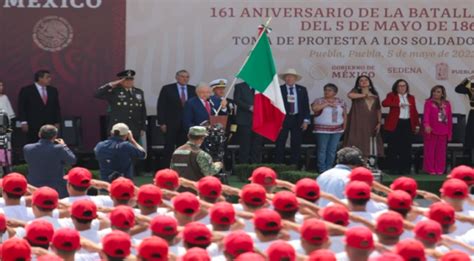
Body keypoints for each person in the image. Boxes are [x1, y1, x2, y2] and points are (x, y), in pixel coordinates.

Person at [23, 125, 76, 198]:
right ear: (55, 137)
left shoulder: (27, 148)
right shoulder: (59, 149)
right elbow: (72, 160)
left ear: (39, 134)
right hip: (56, 188)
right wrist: (64, 145)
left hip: (34, 187)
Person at [157, 70, 196, 166]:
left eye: (187, 77)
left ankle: (182, 168)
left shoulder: (193, 89)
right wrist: (162, 122)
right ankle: (166, 168)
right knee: (169, 147)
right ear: (177, 77)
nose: (185, 79)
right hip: (171, 123)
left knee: (184, 147)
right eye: (182, 76)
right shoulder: (167, 89)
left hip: (187, 124)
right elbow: (161, 106)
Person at [95, 69, 147, 141]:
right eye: (126, 79)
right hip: (118, 130)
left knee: (132, 151)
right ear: (120, 81)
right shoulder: (114, 91)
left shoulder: (139, 92)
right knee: (117, 150)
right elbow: (97, 94)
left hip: (134, 129)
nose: (129, 81)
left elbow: (143, 111)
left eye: (131, 79)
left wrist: (143, 127)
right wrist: (111, 85)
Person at [382, 79, 420, 175]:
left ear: (407, 87)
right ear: (396, 87)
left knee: (406, 148)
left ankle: (405, 169)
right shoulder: (391, 95)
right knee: (393, 147)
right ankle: (393, 168)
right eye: (400, 86)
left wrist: (417, 125)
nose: (402, 88)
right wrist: (398, 104)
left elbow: (414, 111)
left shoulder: (411, 97)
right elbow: (384, 103)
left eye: (404, 86)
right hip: (395, 124)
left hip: (407, 123)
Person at [343, 75, 384, 162]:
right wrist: (365, 95)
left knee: (370, 143)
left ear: (370, 83)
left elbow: (378, 109)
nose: (364, 81)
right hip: (357, 122)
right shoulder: (355, 92)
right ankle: (355, 163)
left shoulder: (375, 95)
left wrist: (379, 122)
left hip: (371, 122)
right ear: (358, 84)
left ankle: (369, 164)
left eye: (366, 80)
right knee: (356, 140)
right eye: (361, 80)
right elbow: (350, 95)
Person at [275, 68, 310, 166]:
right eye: (287, 76)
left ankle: (294, 165)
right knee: (280, 141)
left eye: (292, 77)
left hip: (297, 118)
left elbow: (305, 106)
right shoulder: (279, 89)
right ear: (284, 79)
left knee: (296, 142)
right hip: (283, 119)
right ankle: (279, 164)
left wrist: (306, 120)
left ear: (295, 79)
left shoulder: (302, 89)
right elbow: (275, 106)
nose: (289, 78)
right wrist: (277, 121)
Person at [18, 69, 61, 143]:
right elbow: (21, 107)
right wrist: (23, 122)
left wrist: (57, 122)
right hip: (33, 124)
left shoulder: (53, 90)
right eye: (47, 77)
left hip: (49, 123)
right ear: (40, 78)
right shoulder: (27, 90)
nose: (50, 79)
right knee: (33, 142)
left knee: (50, 144)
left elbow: (56, 107)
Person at [311, 83, 347, 173]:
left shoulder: (341, 101)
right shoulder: (319, 100)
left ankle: (329, 169)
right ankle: (322, 169)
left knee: (332, 150)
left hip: (337, 130)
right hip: (322, 130)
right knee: (322, 149)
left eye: (329, 90)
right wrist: (326, 103)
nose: (327, 92)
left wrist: (344, 128)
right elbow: (315, 109)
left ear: (335, 92)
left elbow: (345, 115)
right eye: (325, 90)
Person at [423, 85, 452, 175]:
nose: (435, 93)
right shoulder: (428, 103)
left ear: (442, 94)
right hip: (431, 130)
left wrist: (449, 132)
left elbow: (449, 118)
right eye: (434, 91)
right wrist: (426, 125)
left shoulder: (447, 104)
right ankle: (430, 169)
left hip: (443, 130)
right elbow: (426, 115)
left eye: (438, 92)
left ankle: (439, 169)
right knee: (430, 151)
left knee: (441, 152)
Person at [234, 81, 263, 164]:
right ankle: (244, 167)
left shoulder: (260, 86)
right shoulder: (239, 86)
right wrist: (249, 107)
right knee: (245, 146)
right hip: (244, 120)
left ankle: (255, 166)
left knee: (257, 146)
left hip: (258, 121)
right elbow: (237, 100)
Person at [455, 76, 474, 162]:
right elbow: (458, 89)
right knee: (470, 140)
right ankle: (469, 163)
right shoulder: (471, 85)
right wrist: (468, 79)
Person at [0, 80, 15, 169]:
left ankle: (7, 170)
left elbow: (9, 117)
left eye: (1, 85)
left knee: (5, 152)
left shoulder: (4, 98)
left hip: (4, 132)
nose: (1, 87)